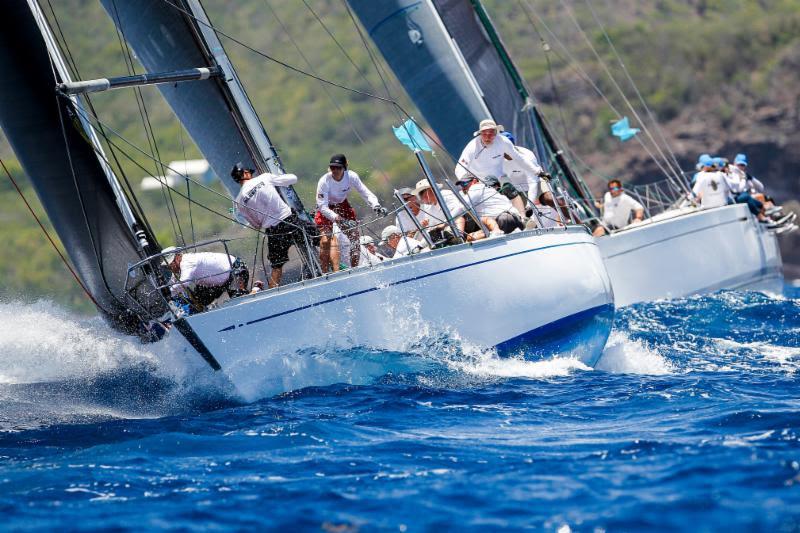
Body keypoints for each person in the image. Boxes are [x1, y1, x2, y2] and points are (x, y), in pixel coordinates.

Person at [232, 163, 305, 288]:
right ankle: (332, 272)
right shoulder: (264, 177)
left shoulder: (239, 201)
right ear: (245, 173)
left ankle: (272, 293)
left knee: (276, 267)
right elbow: (294, 178)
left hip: (273, 231)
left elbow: (256, 225)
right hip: (289, 220)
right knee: (322, 239)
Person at [315, 153, 387, 271]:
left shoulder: (352, 177)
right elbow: (322, 206)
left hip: (343, 205)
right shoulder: (324, 181)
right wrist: (338, 219)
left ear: (345, 167)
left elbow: (365, 192)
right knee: (325, 240)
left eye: (338, 167)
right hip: (326, 207)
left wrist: (376, 205)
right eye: (332, 167)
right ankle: (326, 274)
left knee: (354, 237)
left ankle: (355, 270)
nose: (335, 170)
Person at [455, 120, 543, 184]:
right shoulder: (472, 146)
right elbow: (460, 167)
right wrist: (464, 180)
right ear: (480, 134)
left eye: (491, 133)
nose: (487, 137)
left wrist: (537, 171)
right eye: (484, 133)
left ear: (496, 133)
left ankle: (520, 210)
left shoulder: (503, 141)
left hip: (498, 179)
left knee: (510, 190)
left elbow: (519, 158)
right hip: (477, 181)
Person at [162, 247, 249, 312]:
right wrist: (163, 294)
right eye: (167, 267)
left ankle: (256, 289)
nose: (170, 268)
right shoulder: (179, 267)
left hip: (234, 270)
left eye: (170, 264)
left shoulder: (187, 262)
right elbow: (173, 282)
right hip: (217, 282)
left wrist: (168, 293)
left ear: (177, 257)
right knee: (197, 303)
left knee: (239, 302)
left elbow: (184, 283)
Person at [460, 175, 524, 234]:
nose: (491, 187)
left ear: (497, 185)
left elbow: (460, 208)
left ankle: (524, 220)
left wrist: (523, 216)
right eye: (489, 186)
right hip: (494, 223)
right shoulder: (479, 194)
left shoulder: (502, 190)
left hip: (505, 218)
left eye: (493, 186)